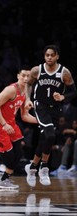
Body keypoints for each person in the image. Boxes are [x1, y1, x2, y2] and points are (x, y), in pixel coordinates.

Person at [24, 45, 77, 187]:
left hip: (55, 109)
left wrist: (63, 97)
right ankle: (44, 167)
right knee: (50, 136)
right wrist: (28, 99)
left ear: (57, 56)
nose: (49, 57)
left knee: (44, 138)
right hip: (40, 106)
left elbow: (73, 91)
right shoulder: (37, 70)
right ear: (44, 56)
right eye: (47, 55)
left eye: (52, 55)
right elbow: (28, 84)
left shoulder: (64, 73)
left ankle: (32, 167)